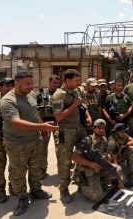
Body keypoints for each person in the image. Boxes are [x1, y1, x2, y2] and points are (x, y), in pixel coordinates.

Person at [0, 71, 57, 216]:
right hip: (16, 143)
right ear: (16, 83)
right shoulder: (8, 100)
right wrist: (42, 127)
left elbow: (35, 112)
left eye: (32, 83)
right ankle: (22, 198)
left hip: (34, 140)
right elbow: (16, 122)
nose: (31, 86)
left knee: (35, 168)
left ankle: (36, 190)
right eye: (27, 84)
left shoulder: (30, 95)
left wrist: (41, 126)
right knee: (18, 172)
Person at [51, 69, 89, 204]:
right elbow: (58, 116)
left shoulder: (76, 91)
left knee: (85, 154)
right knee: (65, 161)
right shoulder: (59, 95)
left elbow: (82, 105)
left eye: (79, 80)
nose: (79, 83)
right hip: (65, 131)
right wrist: (74, 105)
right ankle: (64, 189)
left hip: (79, 128)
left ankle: (80, 179)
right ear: (67, 80)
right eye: (76, 80)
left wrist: (87, 116)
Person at [71, 119, 124, 203]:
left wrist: (108, 165)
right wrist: (90, 164)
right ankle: (82, 188)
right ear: (94, 128)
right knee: (97, 198)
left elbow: (107, 155)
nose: (101, 130)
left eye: (103, 128)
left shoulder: (104, 140)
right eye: (99, 128)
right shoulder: (87, 141)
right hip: (88, 173)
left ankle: (101, 183)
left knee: (117, 169)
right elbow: (73, 156)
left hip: (99, 169)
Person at [36, 74, 61, 179]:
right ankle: (42, 170)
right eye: (54, 82)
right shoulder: (40, 94)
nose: (56, 85)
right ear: (49, 82)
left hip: (58, 123)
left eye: (57, 83)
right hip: (45, 123)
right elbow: (35, 110)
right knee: (42, 148)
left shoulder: (60, 94)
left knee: (60, 147)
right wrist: (41, 125)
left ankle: (62, 170)